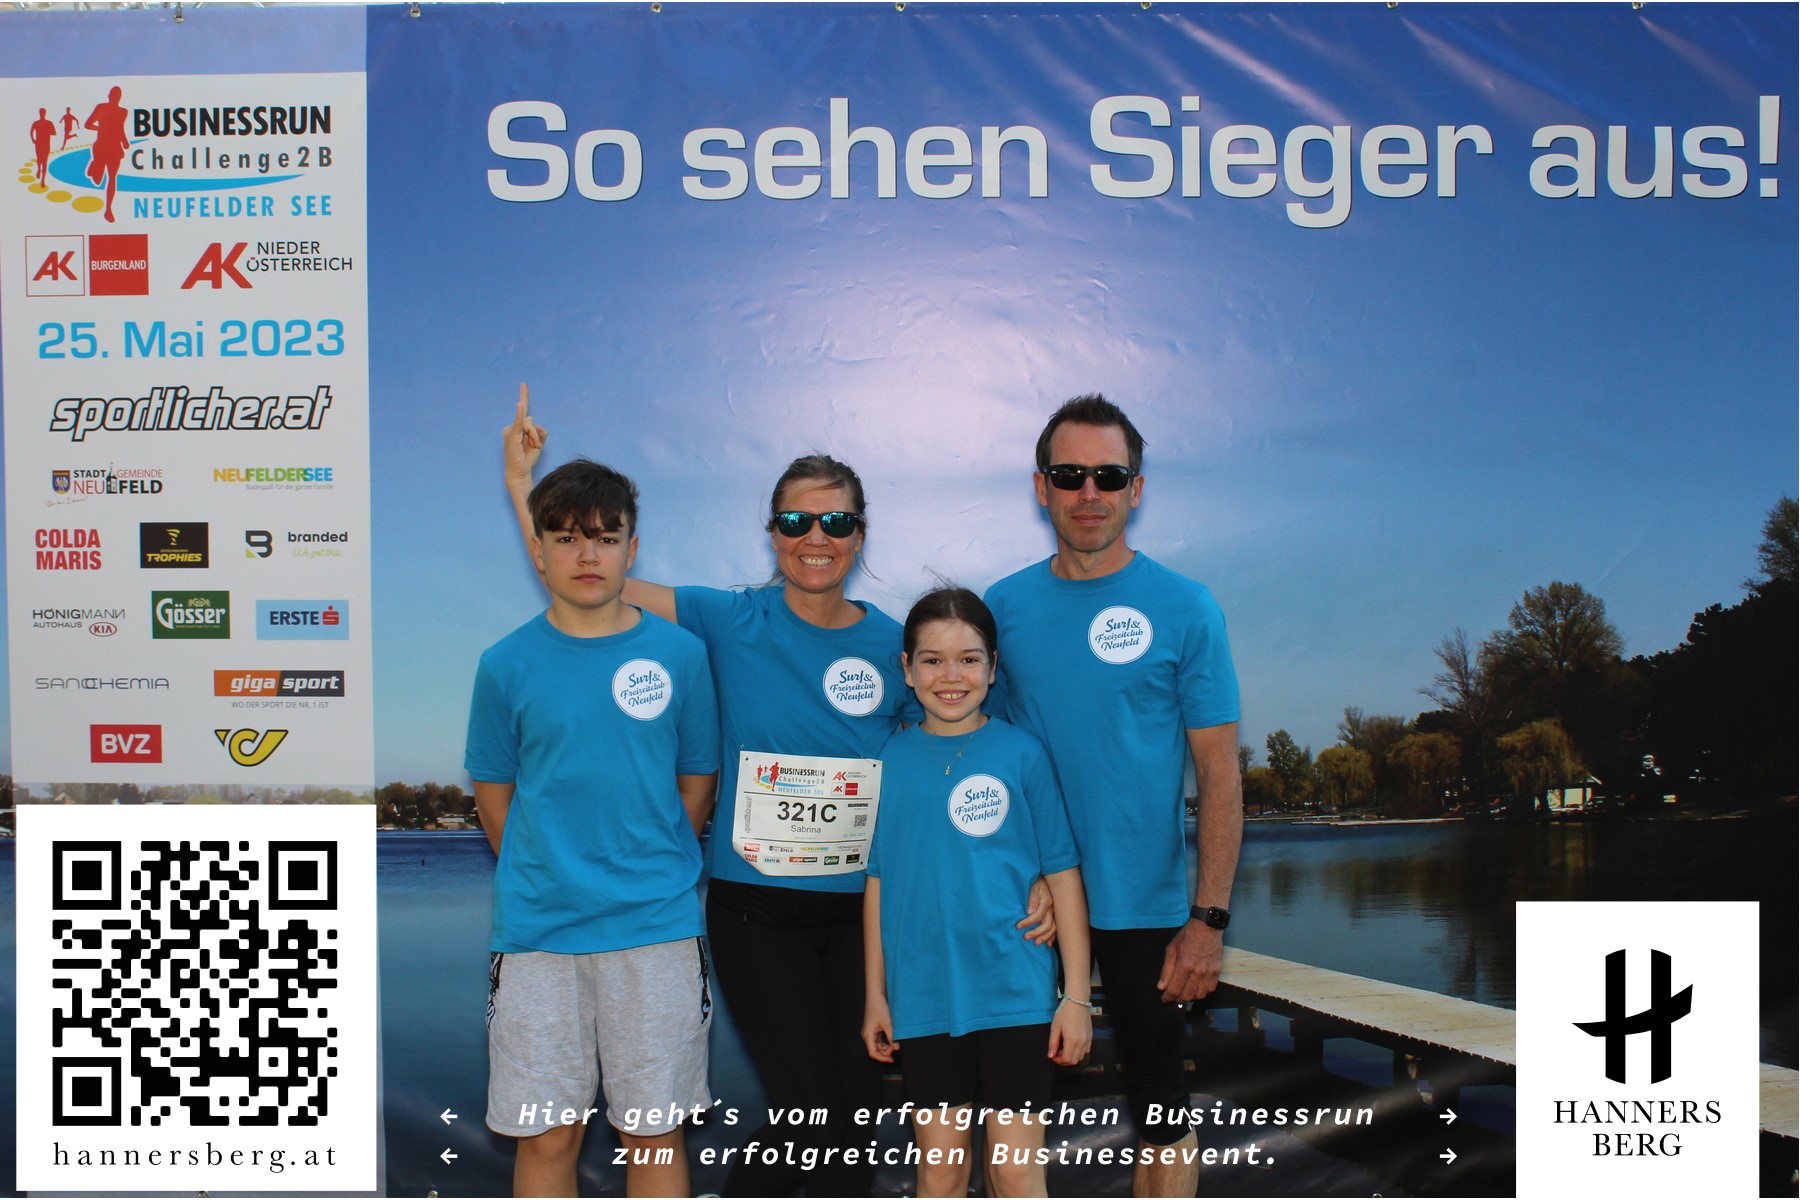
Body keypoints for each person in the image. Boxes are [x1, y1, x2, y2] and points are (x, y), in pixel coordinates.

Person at [503, 389, 1054, 1197]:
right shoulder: (727, 619)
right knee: (811, 1115)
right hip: (756, 917)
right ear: (772, 534)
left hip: (867, 919)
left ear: (859, 533)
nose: (815, 538)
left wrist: (1035, 872)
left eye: (835, 521)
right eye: (796, 521)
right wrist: (523, 486)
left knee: (855, 1129)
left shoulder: (898, 647)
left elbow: (971, 762)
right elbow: (590, 574)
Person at [984, 395, 1243, 1197]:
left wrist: (1207, 923)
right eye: (1070, 475)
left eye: (1109, 475)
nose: (1089, 492)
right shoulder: (1002, 610)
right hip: (1029, 904)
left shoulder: (1187, 607)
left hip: (1146, 907)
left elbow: (1220, 773)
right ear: (1042, 488)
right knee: (1010, 1118)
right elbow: (982, 761)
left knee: (1161, 1113)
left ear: (1137, 488)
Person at [467, 458, 721, 1197]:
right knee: (549, 1133)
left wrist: (648, 864)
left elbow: (697, 783)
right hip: (539, 936)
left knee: (654, 1131)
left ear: (631, 550)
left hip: (656, 930)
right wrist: (551, 875)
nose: (588, 555)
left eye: (606, 539)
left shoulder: (682, 655)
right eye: (567, 538)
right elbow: (494, 800)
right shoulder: (504, 664)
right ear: (539, 549)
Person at [861, 587, 1092, 1198]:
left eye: (969, 659)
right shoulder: (888, 761)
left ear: (992, 668)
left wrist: (1075, 996)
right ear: (907, 669)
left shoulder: (1023, 754)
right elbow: (878, 882)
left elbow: (1063, 875)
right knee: (940, 1171)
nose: (951, 676)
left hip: (1016, 994)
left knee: (1015, 1171)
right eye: (932, 660)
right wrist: (876, 995)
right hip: (924, 996)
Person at [83, 85, 129, 222]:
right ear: (109, 96)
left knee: (112, 177)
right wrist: (100, 128)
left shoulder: (123, 112)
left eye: (118, 96)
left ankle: (108, 209)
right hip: (102, 146)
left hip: (115, 148)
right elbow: (88, 124)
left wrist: (125, 142)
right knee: (97, 181)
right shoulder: (101, 107)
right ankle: (93, 166)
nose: (116, 98)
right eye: (114, 96)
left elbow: (120, 128)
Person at [30, 108, 55, 188]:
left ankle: (43, 179)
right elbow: (31, 131)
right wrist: (33, 139)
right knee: (40, 160)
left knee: (43, 162)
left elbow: (54, 133)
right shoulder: (38, 123)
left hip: (44, 144)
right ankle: (39, 169)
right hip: (41, 144)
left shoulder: (48, 123)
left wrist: (33, 139)